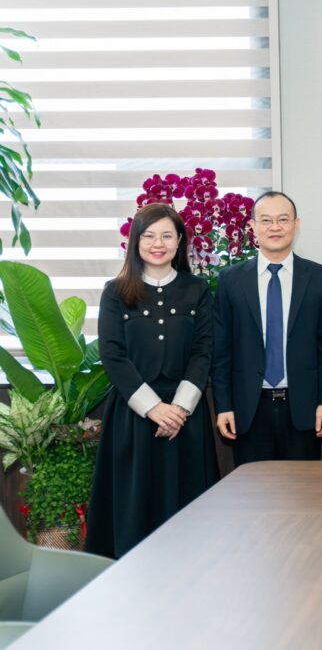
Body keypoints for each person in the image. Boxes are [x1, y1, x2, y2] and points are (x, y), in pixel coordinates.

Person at [86, 203, 219, 558]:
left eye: (166, 236)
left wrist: (179, 409)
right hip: (134, 417)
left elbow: (203, 351)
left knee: (188, 512)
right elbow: (113, 356)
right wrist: (154, 409)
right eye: (149, 236)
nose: (157, 244)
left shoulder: (197, 289)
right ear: (136, 242)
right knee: (134, 509)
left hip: (184, 418)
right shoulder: (115, 291)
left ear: (179, 241)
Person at [212, 191, 322, 464]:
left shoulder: (319, 277)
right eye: (266, 220)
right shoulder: (230, 280)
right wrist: (224, 406)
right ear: (252, 226)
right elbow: (222, 349)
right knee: (252, 488)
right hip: (249, 407)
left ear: (296, 224)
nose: (275, 227)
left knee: (303, 487)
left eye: (283, 219)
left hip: (303, 407)